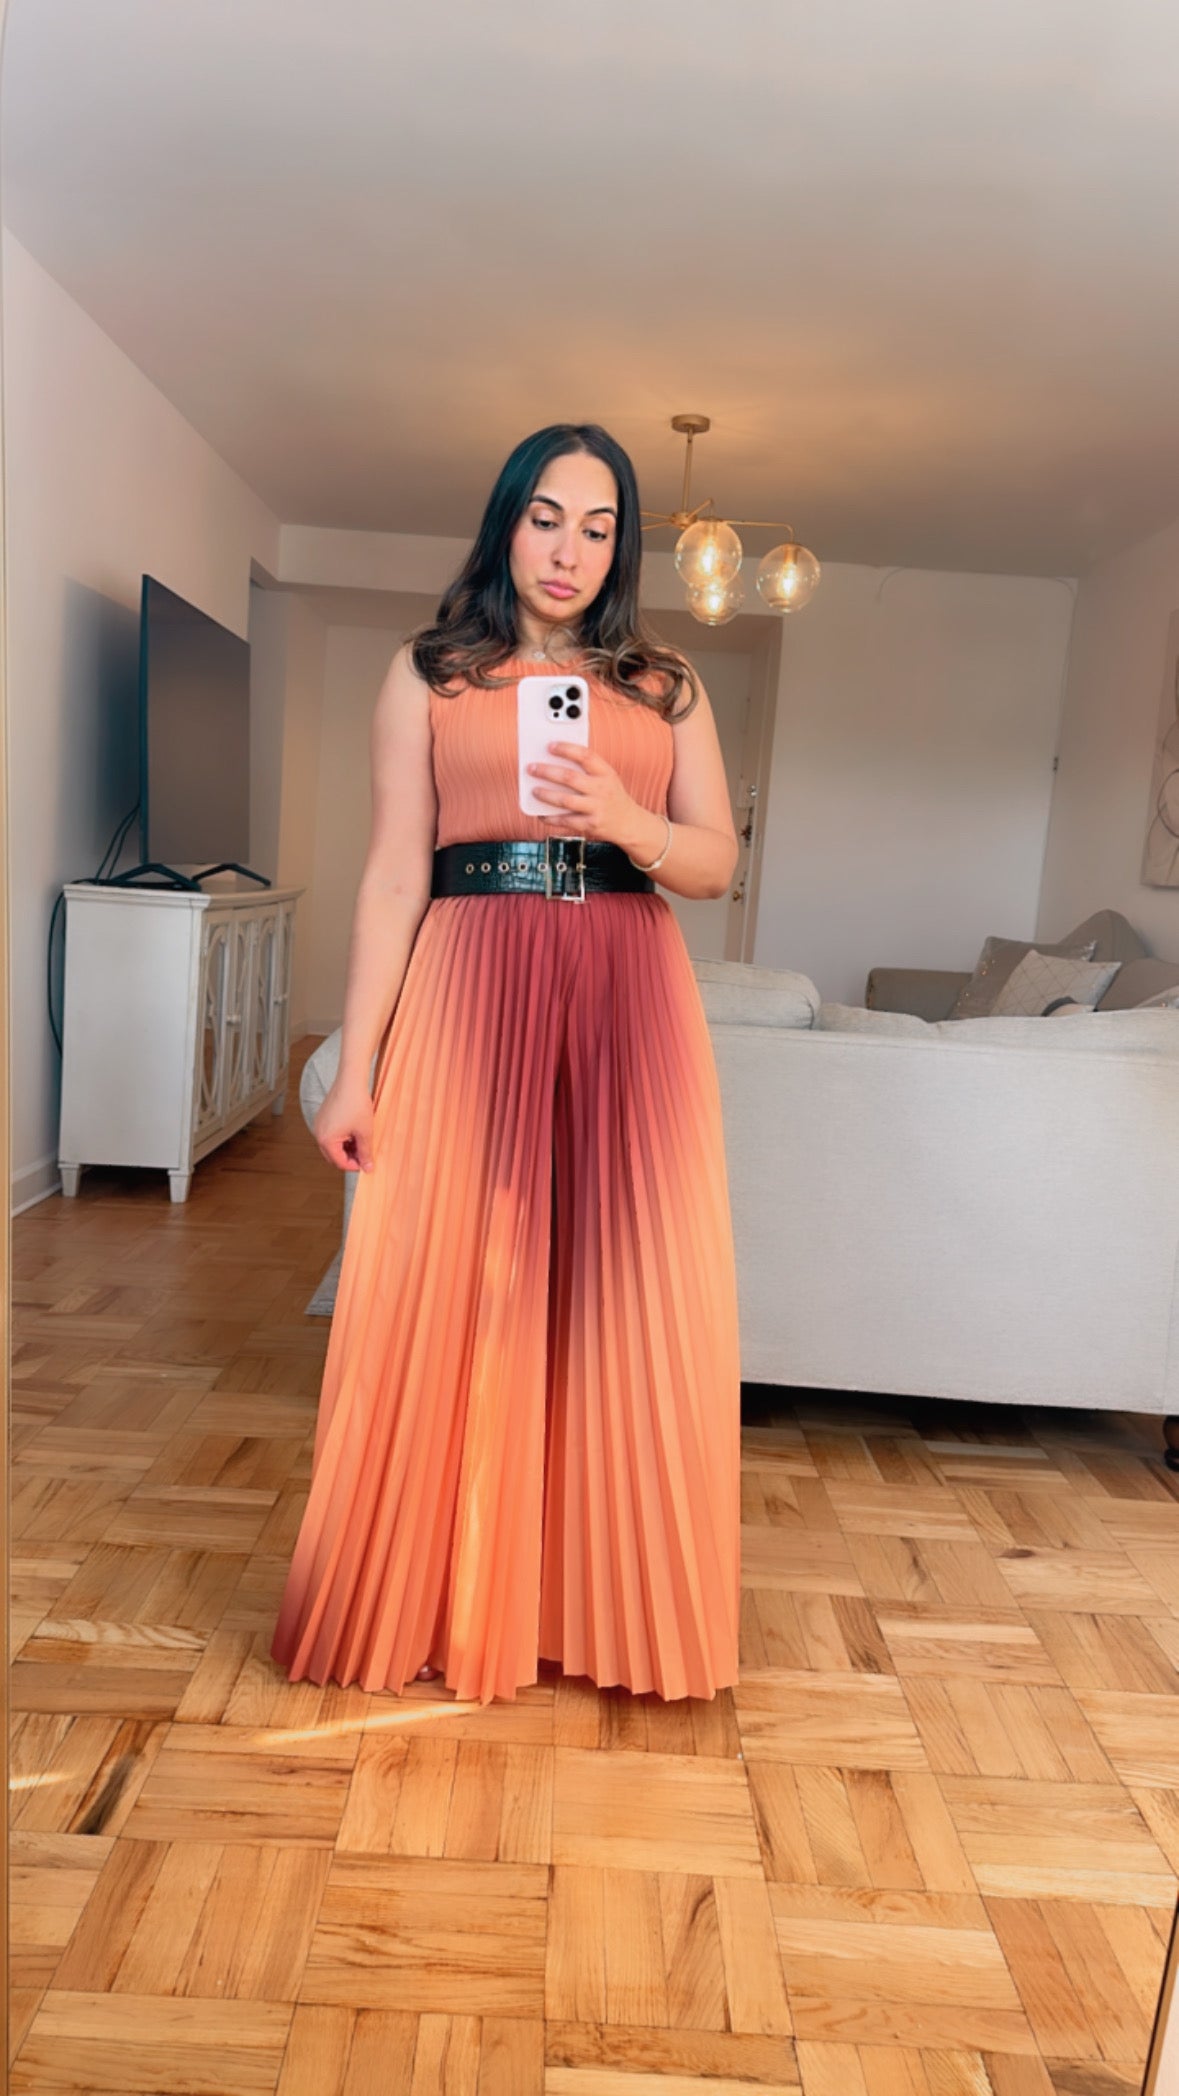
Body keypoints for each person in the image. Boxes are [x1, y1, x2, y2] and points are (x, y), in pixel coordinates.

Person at [270, 423, 742, 1706]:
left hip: (629, 994)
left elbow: (715, 860)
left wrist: (629, 820)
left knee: (619, 1292)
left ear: (621, 546)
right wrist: (355, 1065)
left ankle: (595, 1607)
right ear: (506, 522)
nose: (569, 550)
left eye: (598, 526)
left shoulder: (665, 684)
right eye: (546, 517)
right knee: (452, 1286)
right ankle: (450, 1599)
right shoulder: (430, 673)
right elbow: (393, 873)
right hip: (471, 986)